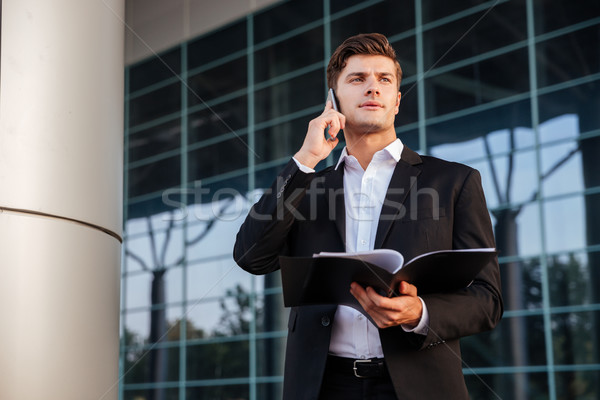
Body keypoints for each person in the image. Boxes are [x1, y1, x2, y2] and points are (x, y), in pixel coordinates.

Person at [234, 33, 503, 400]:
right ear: (334, 100)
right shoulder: (307, 185)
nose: (373, 88)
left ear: (396, 102)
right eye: (358, 79)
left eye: (384, 80)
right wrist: (305, 160)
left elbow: (487, 299)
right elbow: (251, 256)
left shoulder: (454, 181)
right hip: (322, 386)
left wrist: (419, 312)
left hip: (419, 385)